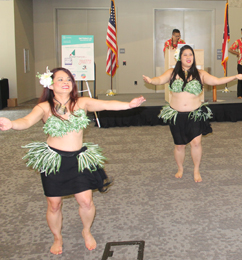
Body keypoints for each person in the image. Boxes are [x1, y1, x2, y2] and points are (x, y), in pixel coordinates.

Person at [0, 67, 146, 255]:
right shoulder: (44, 107)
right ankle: (57, 237)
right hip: (54, 161)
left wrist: (129, 105)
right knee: (54, 204)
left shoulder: (82, 102)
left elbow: (106, 104)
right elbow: (27, 121)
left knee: (86, 201)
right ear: (51, 85)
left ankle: (86, 231)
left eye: (69, 79)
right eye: (60, 79)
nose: (66, 82)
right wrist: (12, 124)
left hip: (79, 159)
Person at [143, 45, 242, 182]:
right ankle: (180, 168)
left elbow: (216, 80)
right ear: (180, 57)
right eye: (185, 55)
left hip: (195, 114)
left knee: (196, 142)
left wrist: (234, 77)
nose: (188, 57)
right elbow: (159, 79)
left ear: (194, 57)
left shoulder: (200, 74)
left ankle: (196, 169)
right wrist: (151, 81)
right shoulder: (172, 73)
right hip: (176, 115)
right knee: (179, 145)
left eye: (190, 55)